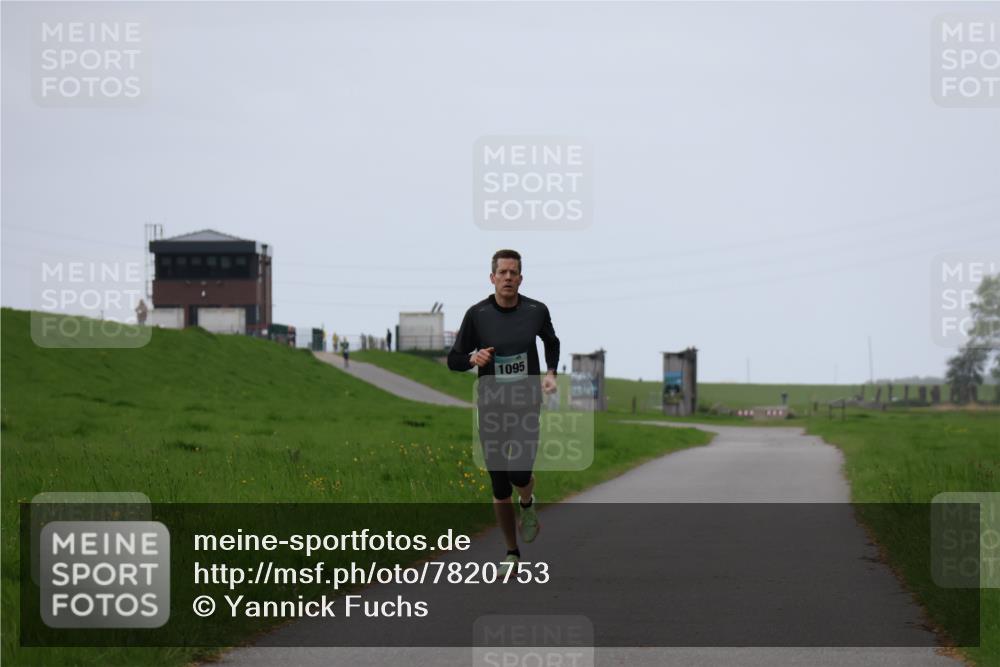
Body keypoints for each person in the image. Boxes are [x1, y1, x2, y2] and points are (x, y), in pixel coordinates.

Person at [447, 249, 559, 572]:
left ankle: (527, 501)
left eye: (514, 273)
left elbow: (552, 342)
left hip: (525, 405)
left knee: (519, 473)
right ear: (492, 278)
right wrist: (472, 358)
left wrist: (550, 373)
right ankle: (511, 552)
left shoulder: (536, 311)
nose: (508, 278)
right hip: (491, 408)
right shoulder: (477, 314)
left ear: (521, 278)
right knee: (498, 485)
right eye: (503, 273)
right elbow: (454, 359)